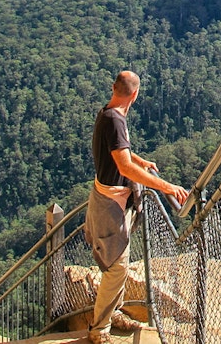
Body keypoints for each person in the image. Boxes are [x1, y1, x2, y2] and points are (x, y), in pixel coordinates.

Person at [84, 70, 190, 344]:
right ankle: (99, 330)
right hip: (110, 204)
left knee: (120, 262)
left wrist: (141, 161)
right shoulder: (116, 120)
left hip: (110, 199)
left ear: (113, 87)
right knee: (116, 268)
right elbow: (123, 165)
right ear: (135, 94)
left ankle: (115, 312)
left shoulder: (106, 112)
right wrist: (166, 187)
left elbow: (120, 152)